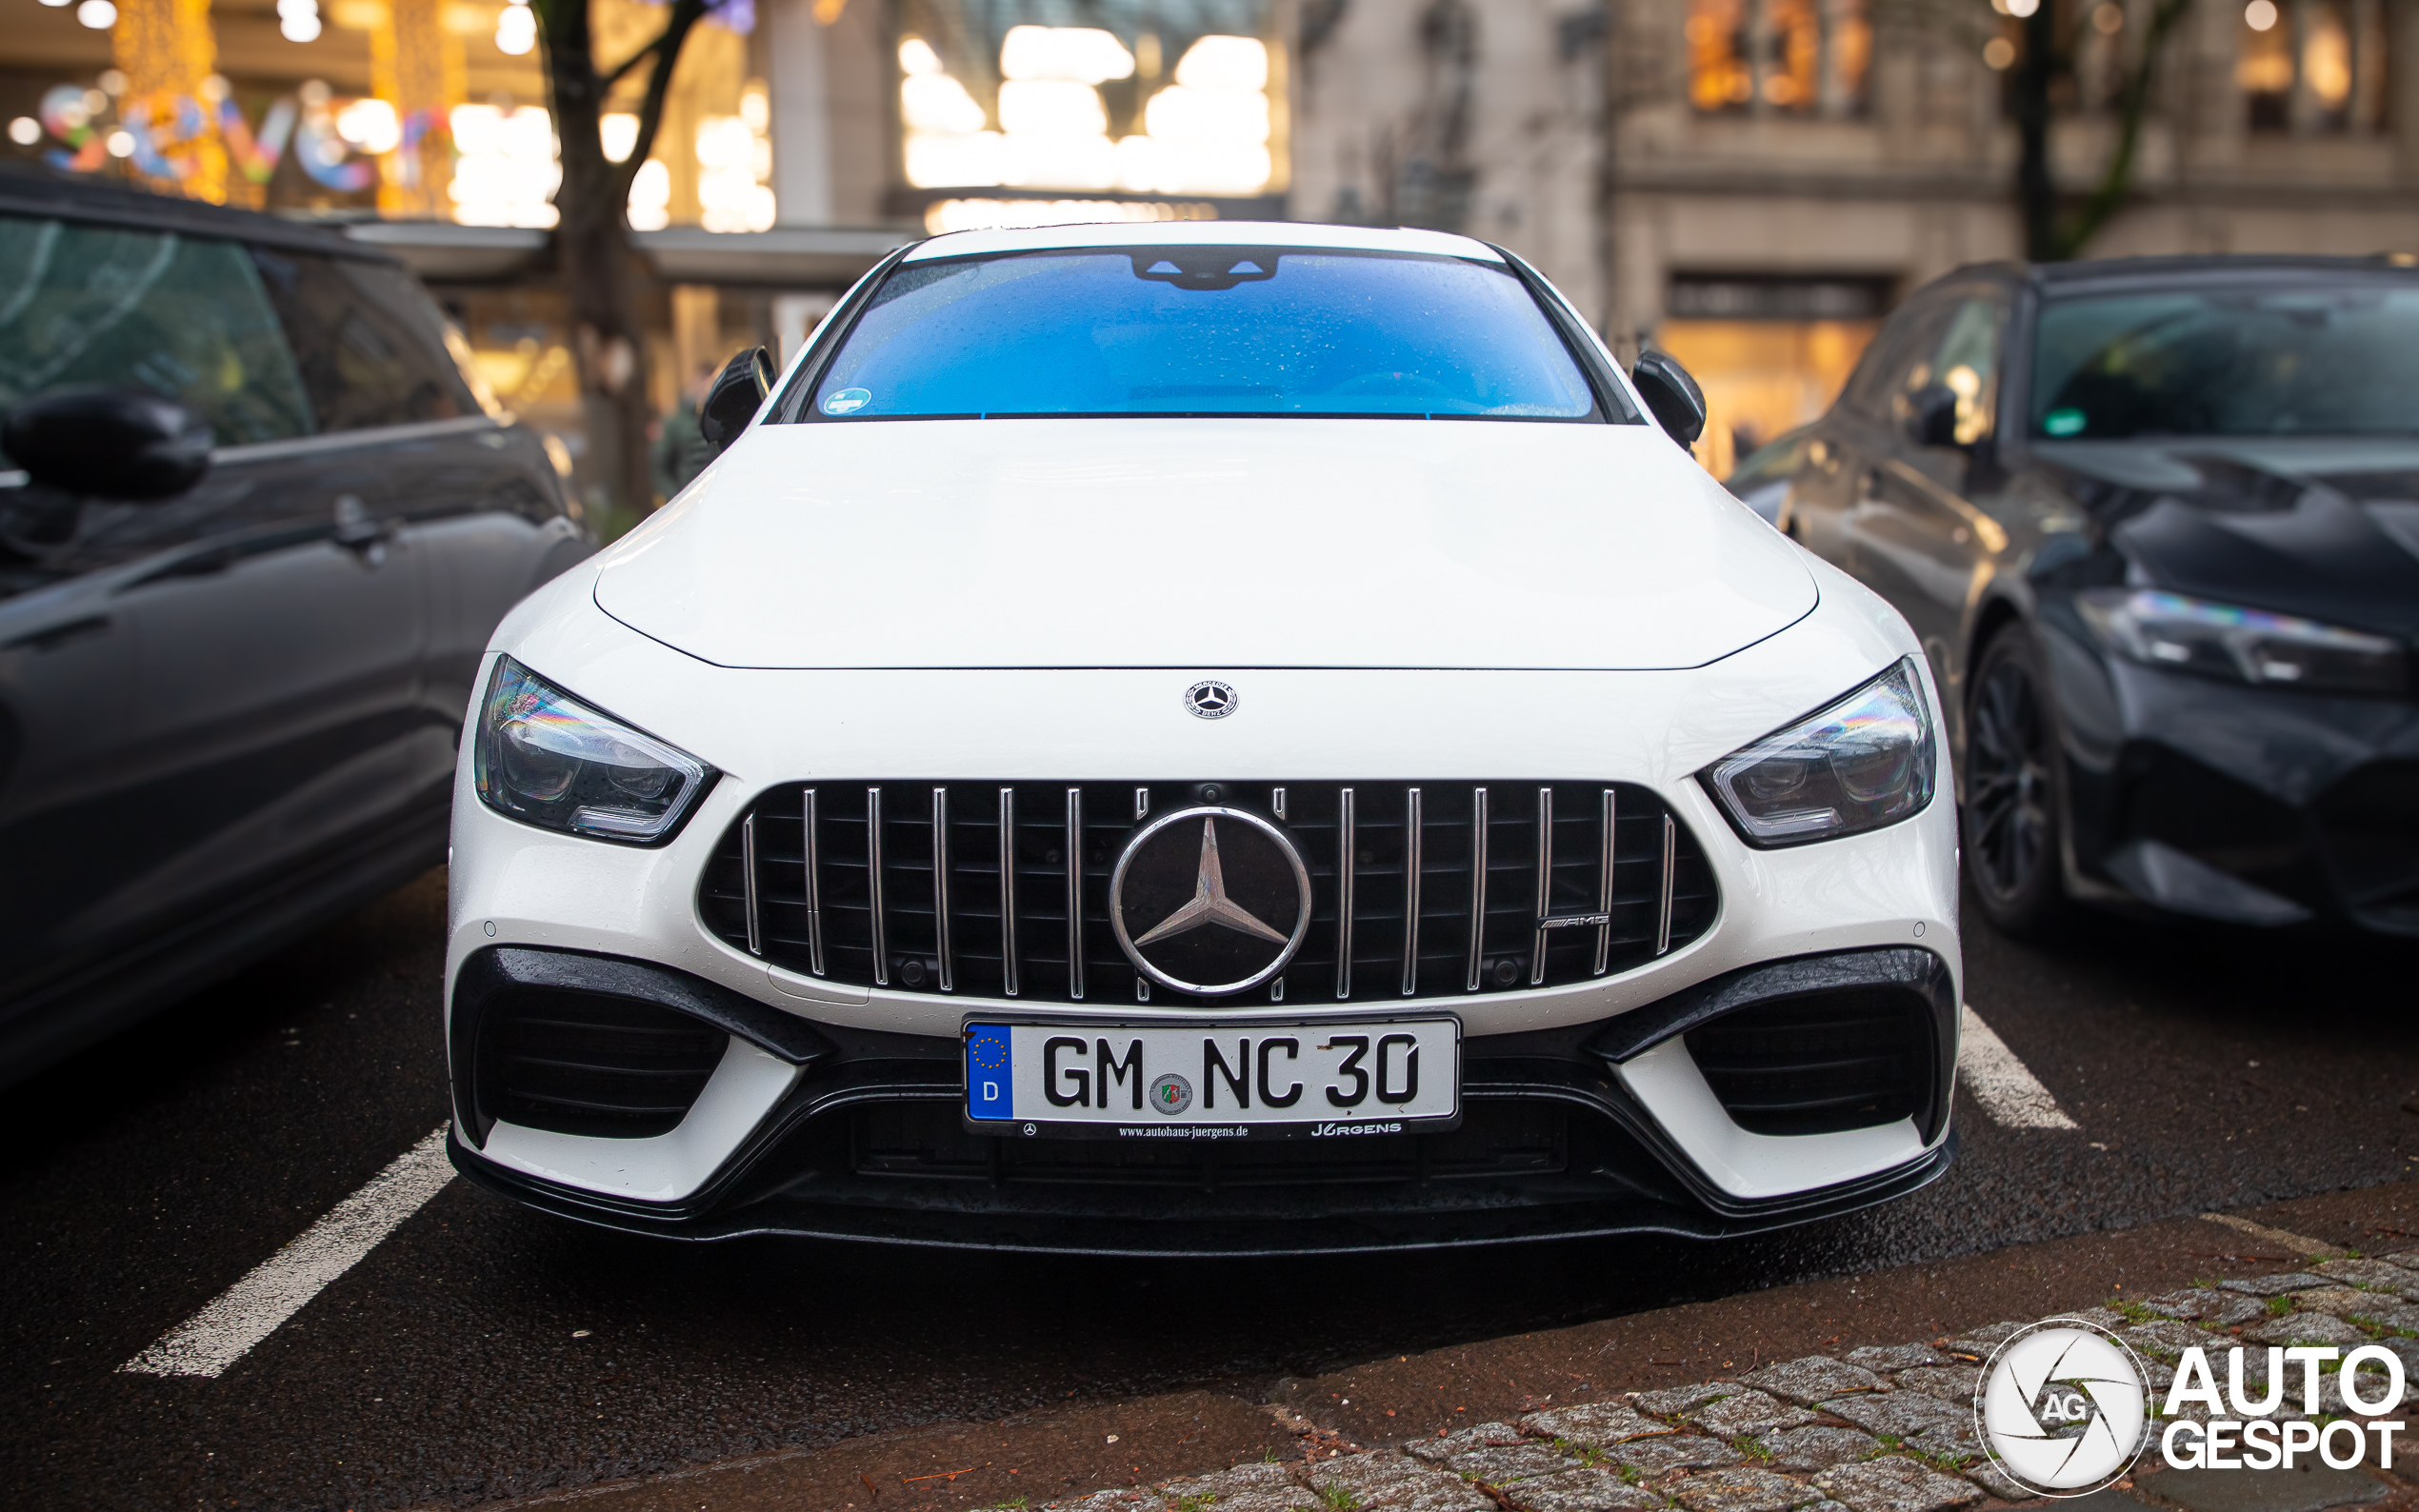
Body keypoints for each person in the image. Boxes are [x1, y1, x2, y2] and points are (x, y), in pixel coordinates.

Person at [651, 360, 717, 502]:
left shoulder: (719, 417)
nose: (704, 387)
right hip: (686, 500)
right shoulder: (677, 421)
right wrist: (675, 498)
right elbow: (660, 465)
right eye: (702, 381)